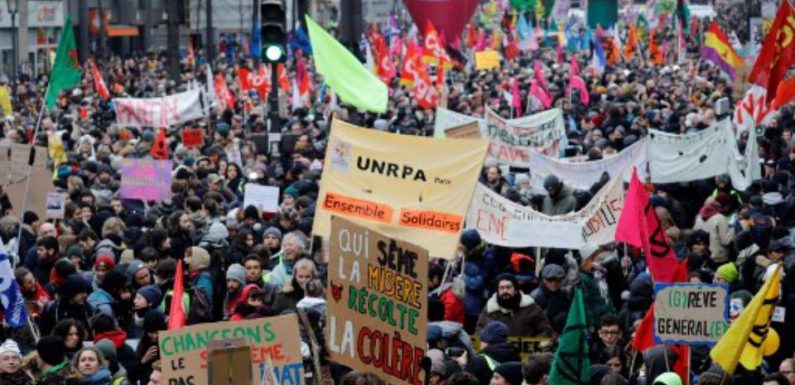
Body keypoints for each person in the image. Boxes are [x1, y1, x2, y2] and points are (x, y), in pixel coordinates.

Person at [476, 274, 554, 338]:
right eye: (502, 288)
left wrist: (533, 343)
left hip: (527, 351)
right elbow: (480, 331)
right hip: (498, 351)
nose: (505, 291)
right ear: (497, 291)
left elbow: (546, 329)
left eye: (508, 287)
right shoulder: (490, 309)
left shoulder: (530, 307)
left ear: (516, 289)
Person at [531, 263, 570, 333]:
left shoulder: (562, 294)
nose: (553, 283)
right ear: (544, 280)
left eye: (557, 280)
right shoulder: (536, 295)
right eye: (550, 280)